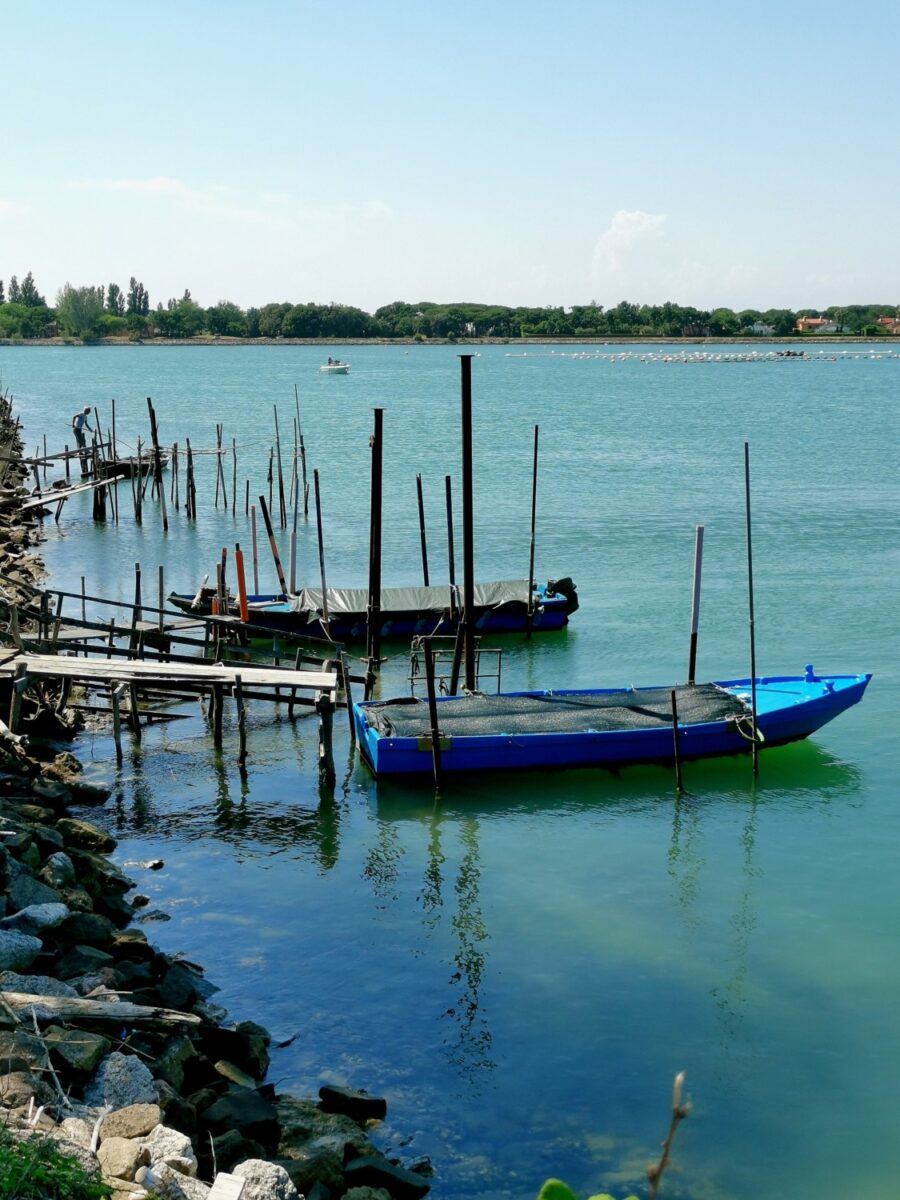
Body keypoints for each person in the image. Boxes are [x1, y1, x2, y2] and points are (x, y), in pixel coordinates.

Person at [72, 405, 93, 474]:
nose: (88, 412)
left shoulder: (85, 417)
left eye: (89, 411)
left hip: (79, 429)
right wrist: (73, 424)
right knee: (80, 440)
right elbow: (74, 417)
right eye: (87, 411)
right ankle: (82, 451)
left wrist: (90, 429)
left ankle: (82, 450)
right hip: (76, 429)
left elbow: (86, 424)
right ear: (85, 411)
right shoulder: (81, 414)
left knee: (82, 440)